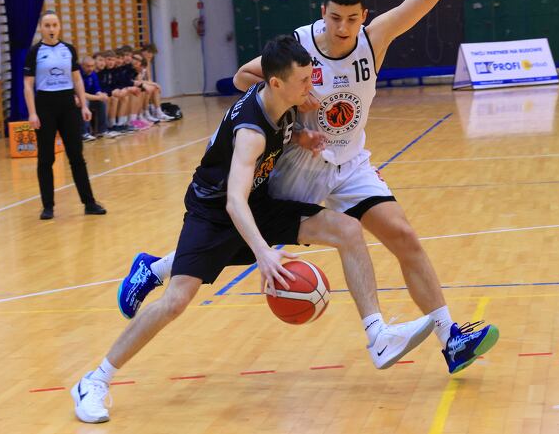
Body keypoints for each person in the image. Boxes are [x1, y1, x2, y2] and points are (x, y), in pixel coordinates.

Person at [122, 0, 498, 375]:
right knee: (244, 241)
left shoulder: (374, 39)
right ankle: (158, 268)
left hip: (349, 162)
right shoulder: (299, 48)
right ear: (323, 12)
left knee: (404, 236)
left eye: (352, 19)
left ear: (364, 17)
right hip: (298, 162)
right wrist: (297, 106)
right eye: (335, 17)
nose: (342, 27)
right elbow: (243, 78)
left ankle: (450, 338)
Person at [71, 35, 435, 424]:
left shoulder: (282, 101)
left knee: (346, 229)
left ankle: (378, 335)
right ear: (275, 82)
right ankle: (95, 380)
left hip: (258, 202)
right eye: (303, 82)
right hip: (213, 213)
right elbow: (234, 201)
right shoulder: (251, 132)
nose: (311, 88)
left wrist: (302, 136)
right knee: (176, 301)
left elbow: (276, 130)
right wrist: (263, 252)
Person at [23, 11, 106, 220]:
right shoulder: (35, 52)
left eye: (54, 25)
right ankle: (48, 206)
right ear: (41, 28)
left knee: (76, 156)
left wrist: (84, 106)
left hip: (68, 106)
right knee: (46, 158)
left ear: (59, 27)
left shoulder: (68, 49)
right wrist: (32, 113)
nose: (51, 29)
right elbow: (28, 85)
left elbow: (77, 80)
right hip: (45, 106)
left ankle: (89, 203)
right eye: (47, 25)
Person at [79, 56, 109, 140]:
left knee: (102, 102)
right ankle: (84, 133)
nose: (90, 68)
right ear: (82, 65)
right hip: (79, 98)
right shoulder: (78, 74)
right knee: (85, 102)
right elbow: (81, 93)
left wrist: (101, 95)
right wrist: (98, 97)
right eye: (88, 66)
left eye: (92, 66)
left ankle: (102, 131)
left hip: (90, 97)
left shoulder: (93, 74)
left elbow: (96, 89)